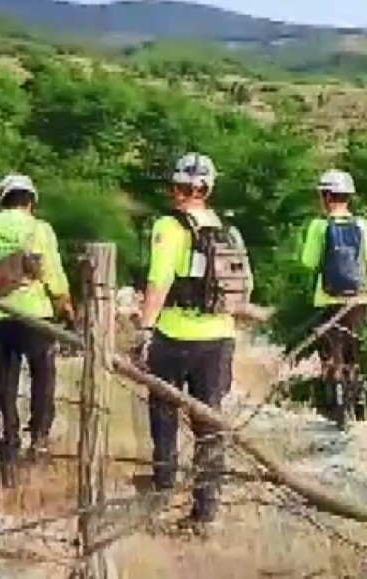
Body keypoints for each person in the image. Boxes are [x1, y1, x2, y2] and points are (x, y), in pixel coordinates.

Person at [133, 152, 253, 529]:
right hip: (220, 337)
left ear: (177, 188)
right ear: (208, 190)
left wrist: (145, 329)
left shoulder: (169, 226)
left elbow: (159, 280)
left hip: (175, 334)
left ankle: (162, 489)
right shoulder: (227, 229)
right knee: (209, 421)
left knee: (164, 413)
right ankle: (205, 508)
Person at [0, 174, 76, 487]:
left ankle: (7, 459)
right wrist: (66, 306)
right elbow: (53, 275)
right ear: (30, 201)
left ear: (3, 199)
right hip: (34, 315)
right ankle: (39, 436)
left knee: (3, 390)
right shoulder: (40, 230)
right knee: (43, 373)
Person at [298, 169, 367, 427]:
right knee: (352, 354)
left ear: (326, 197)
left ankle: (337, 408)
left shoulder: (319, 227)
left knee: (331, 355)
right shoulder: (365, 226)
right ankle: (357, 404)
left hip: (328, 299)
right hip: (359, 301)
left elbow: (308, 262)